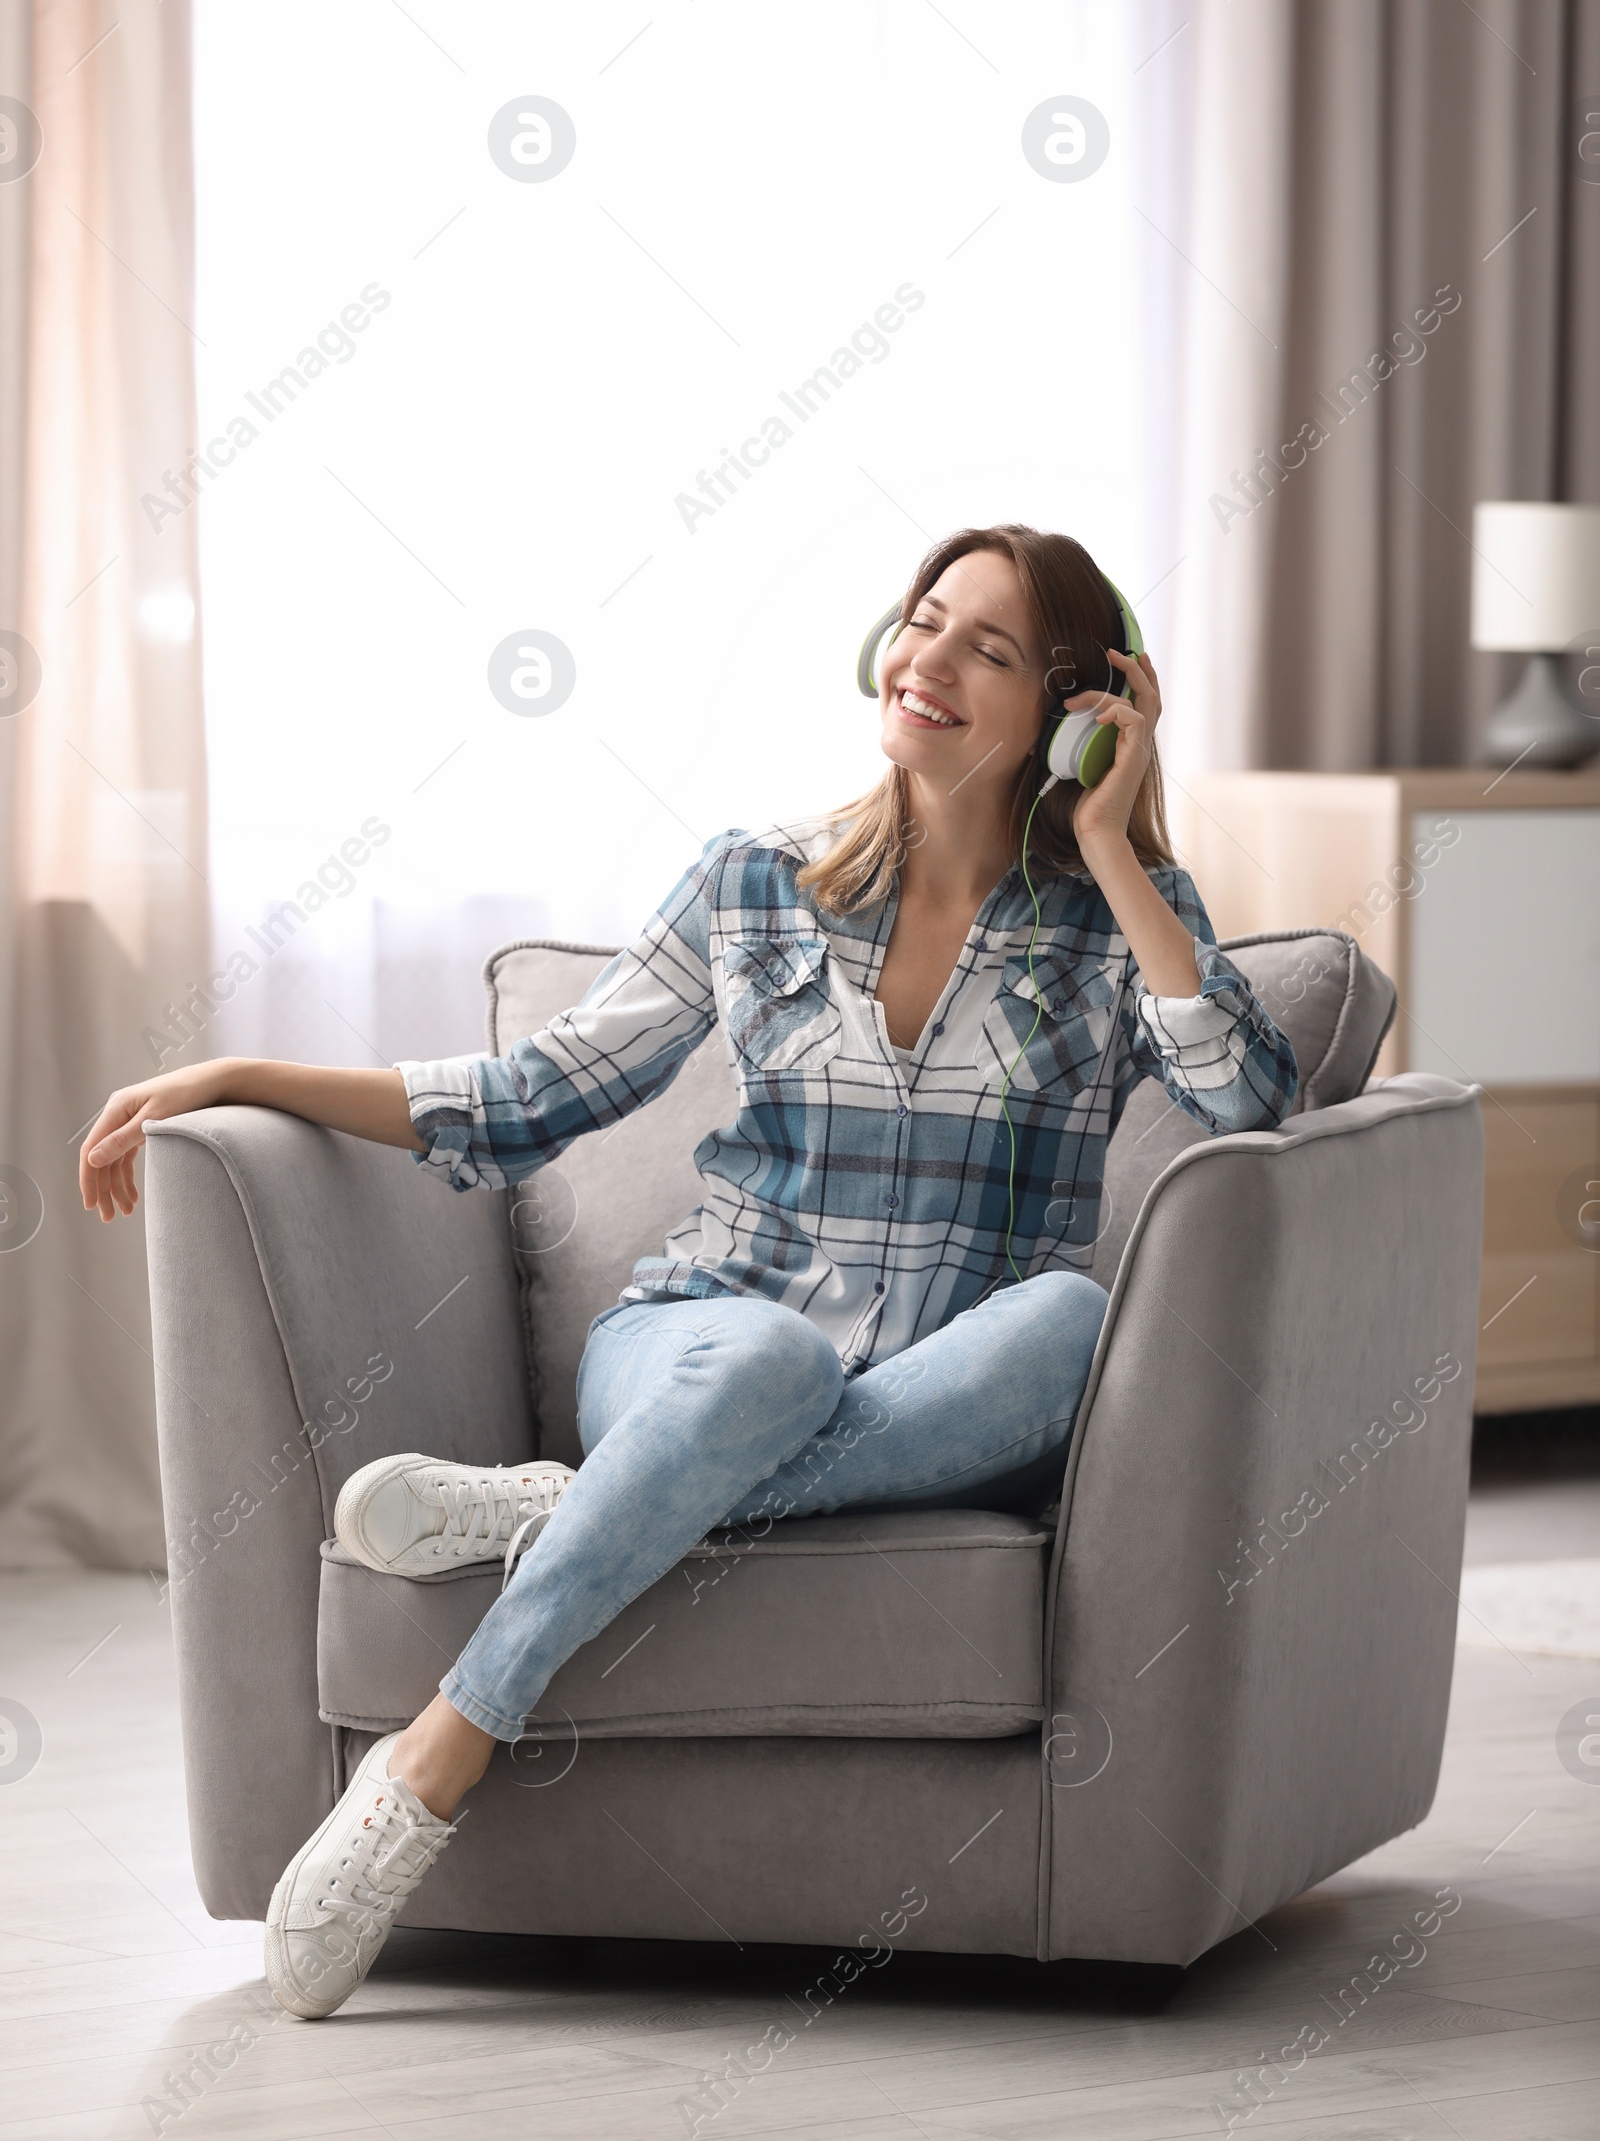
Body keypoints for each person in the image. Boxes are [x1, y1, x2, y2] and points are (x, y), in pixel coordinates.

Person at [79, 524, 1298, 2017]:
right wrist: (241, 1072)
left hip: (942, 1393)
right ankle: (434, 1763)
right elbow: (532, 1095)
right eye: (923, 622)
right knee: (769, 1364)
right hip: (702, 1338)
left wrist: (1112, 845)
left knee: (1071, 1318)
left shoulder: (1114, 928)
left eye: (988, 650)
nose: (929, 664)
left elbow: (1252, 1100)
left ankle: (573, 1510)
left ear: (1071, 709)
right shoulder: (756, 879)